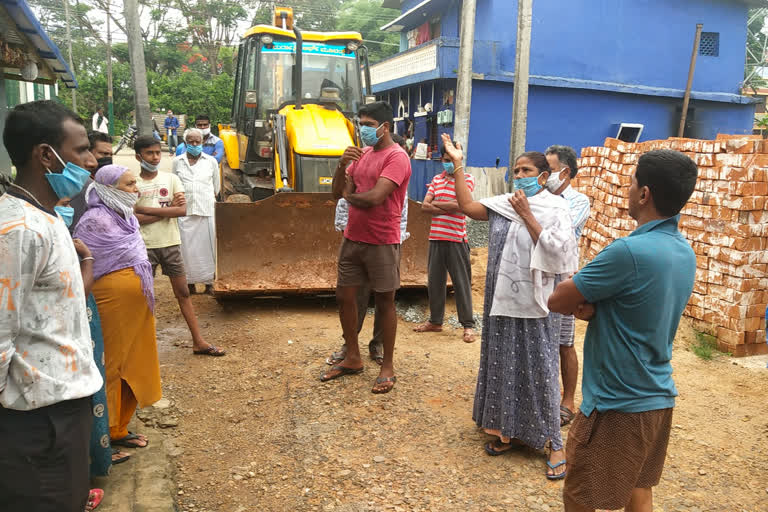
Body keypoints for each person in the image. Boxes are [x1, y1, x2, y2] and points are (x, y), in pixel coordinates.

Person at [548, 150, 697, 512]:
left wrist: (587, 301)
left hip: (616, 402)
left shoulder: (628, 252)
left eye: (631, 183)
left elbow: (558, 299)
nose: (627, 189)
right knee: (638, 488)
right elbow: (641, 308)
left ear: (644, 194)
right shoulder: (683, 251)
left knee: (580, 495)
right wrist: (601, 309)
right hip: (657, 397)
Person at [440, 133, 578, 479]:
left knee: (539, 370)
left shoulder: (556, 209)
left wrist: (528, 215)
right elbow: (469, 208)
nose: (519, 176)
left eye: (526, 170)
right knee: (503, 364)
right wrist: (458, 164)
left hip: (537, 304)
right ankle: (508, 431)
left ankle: (553, 442)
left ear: (543, 177)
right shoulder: (505, 203)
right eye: (516, 170)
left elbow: (562, 255)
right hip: (502, 301)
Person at [0, 99, 103, 511]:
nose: (92, 160)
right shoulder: (17, 230)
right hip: (36, 423)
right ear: (46, 155)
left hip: (61, 412)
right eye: (81, 150)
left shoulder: (48, 217)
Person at [323, 101, 411, 394]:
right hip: (353, 238)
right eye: (361, 122)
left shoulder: (397, 158)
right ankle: (352, 356)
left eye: (369, 124)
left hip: (382, 240)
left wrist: (349, 195)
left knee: (385, 302)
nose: (363, 129)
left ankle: (387, 366)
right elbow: (337, 193)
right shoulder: (361, 155)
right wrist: (340, 166)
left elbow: (375, 197)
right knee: (344, 296)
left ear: (385, 127)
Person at [74, 164, 162, 452]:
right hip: (112, 303)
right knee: (111, 363)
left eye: (135, 184)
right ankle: (104, 434)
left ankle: (119, 426)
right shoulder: (94, 221)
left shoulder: (125, 217)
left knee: (135, 361)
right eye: (128, 185)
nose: (135, 190)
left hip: (136, 305)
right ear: (108, 189)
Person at [132, 136, 225, 356]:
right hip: (144, 246)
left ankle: (198, 341)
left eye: (157, 153)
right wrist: (166, 212)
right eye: (149, 153)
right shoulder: (132, 182)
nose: (155, 157)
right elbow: (132, 219)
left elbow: (182, 210)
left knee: (183, 293)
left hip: (170, 243)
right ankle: (142, 345)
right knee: (144, 295)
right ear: (138, 156)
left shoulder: (170, 179)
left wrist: (147, 211)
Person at [542, 144, 591, 427]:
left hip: (563, 280)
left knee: (564, 342)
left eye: (549, 169)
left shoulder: (578, 201)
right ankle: (544, 394)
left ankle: (568, 399)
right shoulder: (541, 197)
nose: (545, 175)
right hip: (538, 277)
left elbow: (557, 233)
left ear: (565, 172)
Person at [414, 142, 476, 343]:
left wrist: (437, 204)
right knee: (435, 283)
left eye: (452, 161)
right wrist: (450, 206)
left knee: (462, 283)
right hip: (436, 238)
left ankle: (468, 325)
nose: (449, 164)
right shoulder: (436, 179)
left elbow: (462, 206)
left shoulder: (467, 179)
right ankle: (435, 321)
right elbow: (424, 206)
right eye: (446, 161)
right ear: (441, 160)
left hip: (456, 239)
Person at [173, 128, 220, 295]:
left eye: (197, 142)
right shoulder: (177, 162)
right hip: (185, 211)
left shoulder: (211, 161)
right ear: (185, 143)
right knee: (186, 250)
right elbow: (174, 185)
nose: (194, 144)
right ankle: (190, 284)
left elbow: (216, 187)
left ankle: (209, 284)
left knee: (209, 249)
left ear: (202, 143)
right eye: (190, 142)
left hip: (206, 210)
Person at [70, 131, 113, 232]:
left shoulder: (109, 181)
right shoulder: (81, 184)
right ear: (88, 153)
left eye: (111, 155)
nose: (108, 158)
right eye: (104, 154)